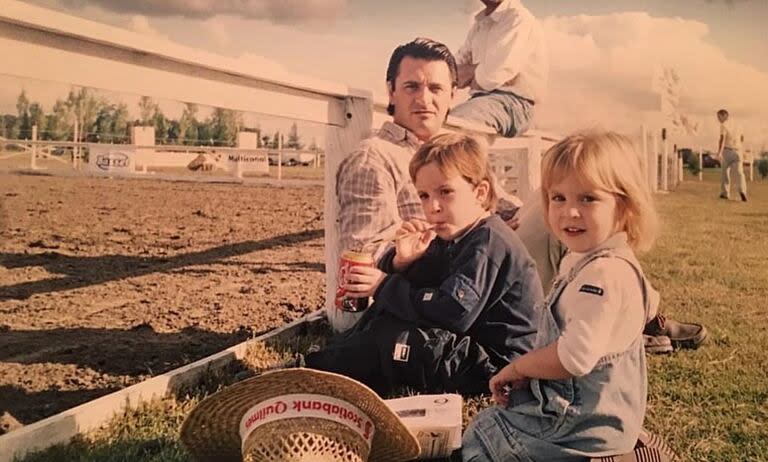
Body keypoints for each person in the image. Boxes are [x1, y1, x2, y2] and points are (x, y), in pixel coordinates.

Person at [462, 130, 673, 461]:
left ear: (626, 206)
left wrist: (519, 368)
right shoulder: (596, 259)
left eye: (587, 199)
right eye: (558, 198)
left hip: (578, 427)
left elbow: (574, 358)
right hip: (602, 415)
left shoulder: (602, 275)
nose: (569, 212)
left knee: (484, 436)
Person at [307, 133, 542, 396]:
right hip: (470, 344)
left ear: (480, 192)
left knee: (392, 339)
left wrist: (384, 285)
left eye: (445, 192)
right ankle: (329, 363)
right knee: (385, 315)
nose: (433, 207)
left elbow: (452, 311)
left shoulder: (488, 241)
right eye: (424, 196)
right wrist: (402, 261)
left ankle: (319, 375)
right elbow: (423, 285)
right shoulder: (456, 233)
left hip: (496, 365)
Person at [515, 189, 708, 353]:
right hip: (529, 300)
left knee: (575, 211)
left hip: (517, 241)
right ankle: (628, 325)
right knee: (581, 224)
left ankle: (631, 318)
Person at [335, 37, 457, 262]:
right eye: (412, 87)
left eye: (436, 88)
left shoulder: (456, 153)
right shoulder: (374, 158)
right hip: (419, 289)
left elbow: (504, 206)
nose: (424, 99)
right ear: (391, 91)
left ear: (452, 96)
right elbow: (362, 253)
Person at [451, 0, 548, 137]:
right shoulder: (479, 25)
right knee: (434, 120)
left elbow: (492, 75)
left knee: (454, 124)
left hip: (514, 104)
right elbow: (452, 70)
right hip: (482, 102)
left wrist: (471, 72)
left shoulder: (518, 18)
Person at [715, 109, 747, 202]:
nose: (718, 119)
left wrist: (719, 152)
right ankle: (743, 191)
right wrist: (741, 149)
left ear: (724, 115)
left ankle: (725, 193)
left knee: (725, 172)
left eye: (719, 117)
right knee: (739, 173)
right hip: (738, 151)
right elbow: (742, 138)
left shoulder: (724, 125)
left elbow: (722, 139)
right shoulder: (738, 124)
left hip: (727, 151)